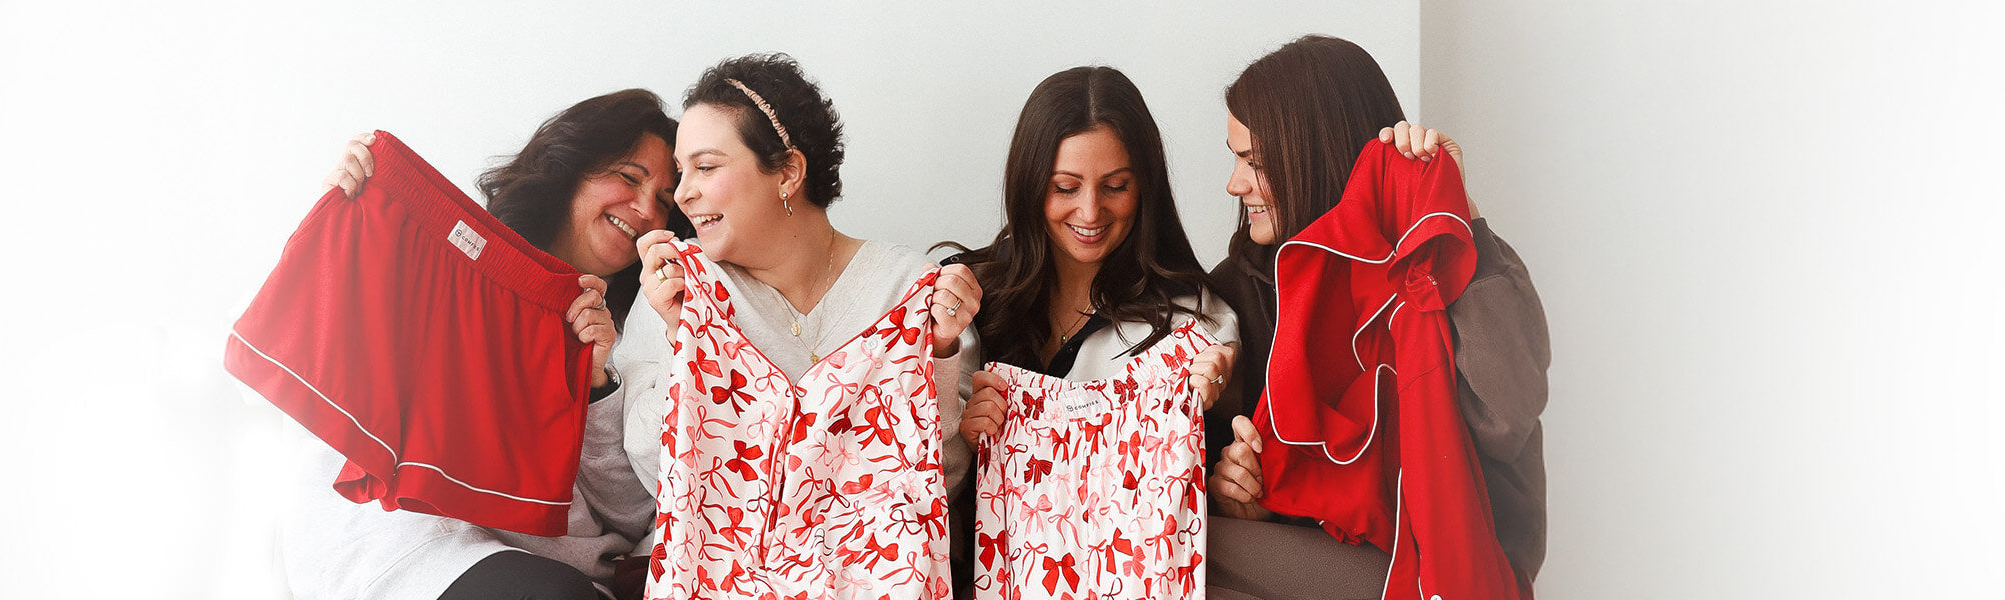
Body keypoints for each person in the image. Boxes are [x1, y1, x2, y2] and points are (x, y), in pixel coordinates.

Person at [284, 88, 687, 600]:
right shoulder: (443, 262)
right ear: (571, 168)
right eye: (629, 178)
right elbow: (326, 342)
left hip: (544, 571)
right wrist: (348, 214)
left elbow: (632, 519)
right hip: (402, 541)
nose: (644, 208)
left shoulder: (639, 333)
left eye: (664, 202)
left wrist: (595, 384)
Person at [1199, 35, 1553, 600]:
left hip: (1443, 568)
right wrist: (1242, 497)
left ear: (1309, 156)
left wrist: (1456, 209)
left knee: (1169, 552)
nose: (1233, 184)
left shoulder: (1441, 265)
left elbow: (1507, 416)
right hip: (1332, 559)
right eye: (1235, 157)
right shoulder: (1242, 283)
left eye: (1253, 162)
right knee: (1168, 549)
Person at [611, 52, 983, 586]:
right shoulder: (678, 289)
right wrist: (681, 340)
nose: (683, 194)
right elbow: (654, 472)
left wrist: (940, 357)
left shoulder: (908, 290)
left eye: (706, 167)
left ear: (787, 172)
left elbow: (939, 483)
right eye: (681, 172)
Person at [943, 65, 1241, 595]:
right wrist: (965, 430)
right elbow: (915, 484)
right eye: (1065, 187)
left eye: (1116, 187)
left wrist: (1217, 392)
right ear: (1030, 183)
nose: (1090, 211)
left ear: (1144, 186)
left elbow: (1220, 488)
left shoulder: (1190, 323)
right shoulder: (970, 300)